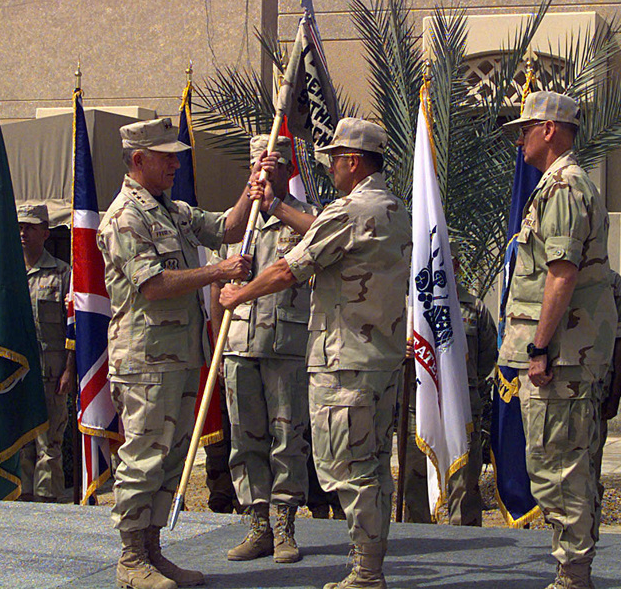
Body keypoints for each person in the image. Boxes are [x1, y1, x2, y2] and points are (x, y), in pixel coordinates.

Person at [220, 117, 410, 589]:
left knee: (349, 470)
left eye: (333, 160)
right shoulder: (391, 206)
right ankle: (368, 563)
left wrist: (237, 296)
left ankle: (366, 573)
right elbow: (324, 233)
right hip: (379, 359)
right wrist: (276, 207)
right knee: (371, 468)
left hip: (346, 362)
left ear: (352, 161)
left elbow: (290, 269)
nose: (328, 169)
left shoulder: (348, 209)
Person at [97, 117, 263, 589]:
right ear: (138, 160)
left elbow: (229, 228)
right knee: (143, 459)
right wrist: (218, 274)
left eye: (176, 154)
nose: (175, 162)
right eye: (166, 155)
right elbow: (152, 285)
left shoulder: (174, 211)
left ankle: (152, 552)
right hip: (146, 360)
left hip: (183, 358)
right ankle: (130, 559)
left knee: (170, 460)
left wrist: (254, 186)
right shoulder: (126, 217)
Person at [498, 91, 617, 589]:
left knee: (559, 467)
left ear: (550, 130)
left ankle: (573, 574)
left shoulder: (564, 187)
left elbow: (561, 275)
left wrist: (540, 348)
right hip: (566, 354)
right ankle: (574, 569)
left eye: (525, 129)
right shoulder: (556, 184)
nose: (519, 139)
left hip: (563, 357)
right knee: (564, 463)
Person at [210, 134, 315, 563]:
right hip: (238, 345)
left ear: (288, 169)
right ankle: (258, 525)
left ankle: (286, 525)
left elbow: (321, 242)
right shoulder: (237, 223)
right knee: (245, 440)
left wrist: (275, 207)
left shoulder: (305, 215)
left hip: (286, 345)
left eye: (273, 167)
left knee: (287, 438)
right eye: (258, 168)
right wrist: (218, 342)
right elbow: (218, 284)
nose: (264, 175)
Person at [403, 241, 498, 527]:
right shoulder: (411, 310)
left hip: (462, 406)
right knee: (415, 482)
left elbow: (487, 358)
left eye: (446, 263)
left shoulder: (474, 308)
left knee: (464, 483)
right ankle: (417, 539)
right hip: (418, 406)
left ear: (455, 267)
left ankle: (466, 535)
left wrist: (463, 385)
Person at [16, 203, 72, 503]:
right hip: (18, 373)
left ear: (46, 233)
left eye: (31, 227)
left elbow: (73, 329)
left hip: (52, 373)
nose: (23, 232)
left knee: (49, 445)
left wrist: (69, 371)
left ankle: (49, 507)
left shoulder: (63, 273)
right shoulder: (7, 273)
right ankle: (24, 503)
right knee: (22, 442)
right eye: (21, 227)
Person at [589, 269, 621, 535]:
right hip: (554, 388)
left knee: (591, 469)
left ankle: (588, 532)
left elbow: (620, 341)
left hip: (596, 391)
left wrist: (615, 395)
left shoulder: (611, 282)